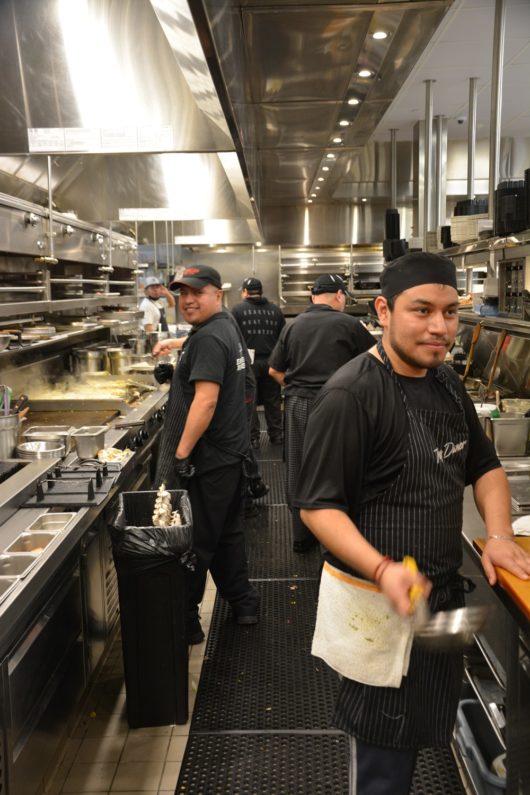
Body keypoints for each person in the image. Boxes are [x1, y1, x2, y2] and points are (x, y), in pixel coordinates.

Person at [294, 252, 530, 794]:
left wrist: (498, 535)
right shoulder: (351, 395)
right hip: (377, 610)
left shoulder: (444, 382)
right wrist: (383, 569)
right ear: (383, 311)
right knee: (380, 767)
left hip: (434, 603)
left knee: (418, 739)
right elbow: (317, 506)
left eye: (449, 312)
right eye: (421, 311)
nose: (439, 327)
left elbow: (485, 466)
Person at [152, 264, 260, 644]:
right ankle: (244, 603)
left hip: (209, 459)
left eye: (197, 292)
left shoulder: (208, 338)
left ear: (217, 293)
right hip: (231, 454)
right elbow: (214, 361)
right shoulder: (225, 325)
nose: (188, 300)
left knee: (196, 542)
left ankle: (186, 621)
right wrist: (178, 356)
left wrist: (181, 454)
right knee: (227, 534)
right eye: (183, 293)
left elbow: (206, 401)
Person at [268, 274, 375, 552]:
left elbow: (274, 370)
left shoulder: (293, 325)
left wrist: (296, 388)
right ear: (339, 295)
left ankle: (301, 537)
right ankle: (336, 542)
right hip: (339, 405)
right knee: (337, 468)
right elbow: (377, 363)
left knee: (299, 468)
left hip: (298, 405)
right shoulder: (350, 324)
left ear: (313, 297)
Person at [232, 277, 285, 447]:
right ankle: (277, 435)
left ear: (245, 292)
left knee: (249, 401)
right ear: (261, 291)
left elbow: (232, 338)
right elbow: (283, 339)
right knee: (273, 400)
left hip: (248, 362)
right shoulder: (275, 310)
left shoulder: (237, 310)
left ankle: (253, 438)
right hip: (272, 362)